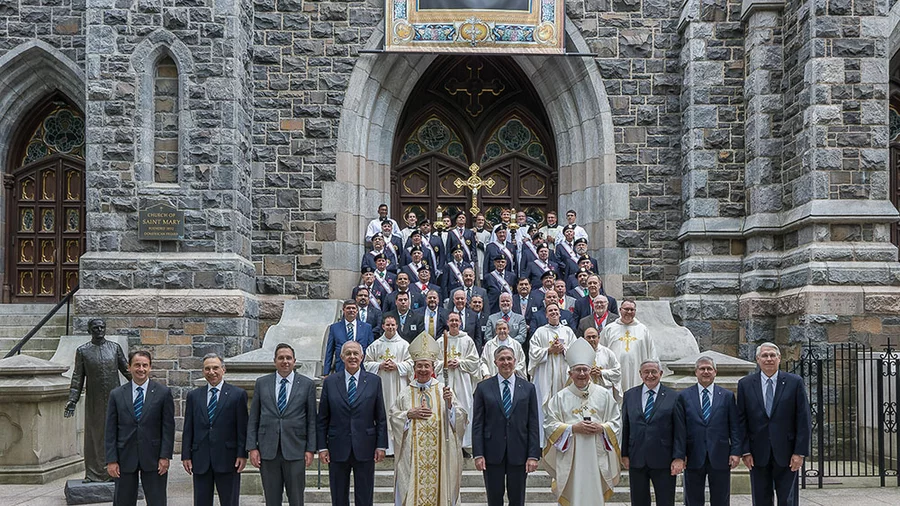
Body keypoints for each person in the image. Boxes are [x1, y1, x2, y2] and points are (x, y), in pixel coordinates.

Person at [390, 332, 467, 506]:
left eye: (426, 366)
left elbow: (461, 419)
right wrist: (408, 415)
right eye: (419, 366)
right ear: (414, 369)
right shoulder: (405, 392)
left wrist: (449, 406)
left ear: (433, 369)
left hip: (440, 455)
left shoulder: (443, 390)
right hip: (413, 459)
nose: (423, 370)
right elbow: (393, 416)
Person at [543, 338, 622, 506]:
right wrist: (572, 428)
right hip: (571, 454)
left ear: (590, 371)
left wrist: (602, 427)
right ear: (570, 374)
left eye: (585, 370)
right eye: (577, 370)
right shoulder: (560, 397)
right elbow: (550, 424)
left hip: (596, 452)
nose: (581, 374)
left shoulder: (603, 395)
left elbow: (616, 421)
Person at [737, 342, 811, 506]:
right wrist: (745, 451)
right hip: (757, 454)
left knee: (787, 500)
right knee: (761, 499)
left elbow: (803, 419)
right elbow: (741, 420)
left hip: (787, 453)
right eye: (764, 356)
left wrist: (800, 452)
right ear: (758, 359)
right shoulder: (745, 384)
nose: (768, 359)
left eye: (772, 355)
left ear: (779, 358)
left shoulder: (794, 382)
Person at [318, 341, 388, 506]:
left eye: (356, 353)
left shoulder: (374, 381)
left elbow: (381, 417)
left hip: (365, 446)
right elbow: (322, 419)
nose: (352, 357)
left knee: (364, 496)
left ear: (362, 357)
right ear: (341, 357)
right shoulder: (330, 382)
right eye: (348, 353)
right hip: (337, 447)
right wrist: (322, 447)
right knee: (338, 496)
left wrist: (381, 445)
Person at [247, 343, 317, 506]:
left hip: (295, 449)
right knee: (272, 499)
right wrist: (252, 447)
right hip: (268, 450)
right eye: (281, 358)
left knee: (296, 499)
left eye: (288, 358)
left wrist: (310, 449)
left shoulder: (307, 385)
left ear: (294, 361)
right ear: (275, 361)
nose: (285, 361)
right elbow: (254, 418)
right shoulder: (262, 383)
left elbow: (312, 420)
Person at [104, 350, 175, 506]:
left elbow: (168, 428)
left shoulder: (163, 393)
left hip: (154, 457)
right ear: (129, 367)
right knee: (123, 501)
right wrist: (111, 460)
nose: (141, 369)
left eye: (145, 365)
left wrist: (165, 456)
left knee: (157, 501)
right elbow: (110, 429)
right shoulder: (116, 394)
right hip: (124, 458)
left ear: (150, 368)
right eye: (137, 365)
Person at [472, 347, 541, 506]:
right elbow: (478, 424)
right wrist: (478, 454)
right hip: (491, 452)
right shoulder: (483, 388)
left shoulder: (528, 388)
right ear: (495, 362)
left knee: (517, 500)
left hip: (519, 451)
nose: (506, 362)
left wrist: (533, 455)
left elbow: (533, 423)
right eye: (502, 359)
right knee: (494, 499)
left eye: (509, 358)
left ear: (515, 361)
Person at [65, 318, 131, 483]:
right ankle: (93, 473)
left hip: (115, 399)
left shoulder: (114, 348)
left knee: (116, 433)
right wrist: (72, 400)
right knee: (94, 436)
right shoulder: (83, 351)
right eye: (95, 328)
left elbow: (127, 370)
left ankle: (115, 472)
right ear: (89, 330)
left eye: (102, 327)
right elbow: (77, 377)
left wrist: (145, 387)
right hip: (94, 401)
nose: (99, 330)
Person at [182, 353, 248, 506]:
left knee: (229, 501)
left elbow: (242, 428)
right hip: (201, 459)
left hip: (228, 458)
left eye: (215, 368)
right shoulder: (194, 396)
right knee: (201, 501)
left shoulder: (237, 395)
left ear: (223, 370)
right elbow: (188, 427)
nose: (211, 372)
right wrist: (186, 455)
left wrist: (242, 453)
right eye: (207, 369)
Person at [678, 356, 742, 506]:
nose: (706, 372)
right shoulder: (684, 396)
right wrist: (680, 455)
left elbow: (734, 426)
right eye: (702, 369)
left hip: (720, 455)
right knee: (693, 499)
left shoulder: (727, 396)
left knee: (721, 498)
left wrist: (735, 451)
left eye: (709, 369)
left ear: (715, 372)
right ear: (696, 372)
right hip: (693, 455)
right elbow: (680, 428)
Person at [621, 359, 686, 506]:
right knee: (638, 501)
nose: (650, 375)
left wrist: (678, 457)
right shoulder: (630, 395)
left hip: (664, 459)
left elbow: (680, 430)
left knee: (665, 501)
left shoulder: (673, 396)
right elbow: (626, 426)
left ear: (661, 373)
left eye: (654, 372)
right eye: (646, 372)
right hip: (637, 458)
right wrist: (624, 454)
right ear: (640, 374)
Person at [363, 316, 413, 455]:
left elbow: (411, 364)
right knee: (382, 412)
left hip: (398, 385)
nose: (390, 327)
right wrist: (380, 365)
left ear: (397, 326)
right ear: (383, 326)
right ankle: (382, 447)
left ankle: (397, 447)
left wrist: (397, 366)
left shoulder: (404, 345)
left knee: (397, 412)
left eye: (393, 325)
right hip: (381, 385)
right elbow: (366, 364)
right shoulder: (375, 345)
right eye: (388, 325)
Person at [528, 302, 575, 440]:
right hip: (545, 374)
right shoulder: (540, 332)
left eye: (556, 310)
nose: (554, 312)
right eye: (551, 311)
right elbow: (533, 352)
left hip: (563, 374)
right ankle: (543, 440)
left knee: (563, 404)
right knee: (544, 404)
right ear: (546, 314)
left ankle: (564, 437)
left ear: (560, 313)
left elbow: (575, 352)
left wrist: (563, 349)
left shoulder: (568, 331)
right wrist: (549, 350)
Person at [435, 312, 480, 451]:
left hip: (462, 381)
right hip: (445, 379)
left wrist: (459, 362)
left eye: (457, 320)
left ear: (460, 323)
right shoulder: (441, 341)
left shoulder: (467, 340)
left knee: (463, 407)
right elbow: (434, 362)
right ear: (447, 323)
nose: (454, 323)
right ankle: (445, 441)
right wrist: (445, 363)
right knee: (444, 408)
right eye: (452, 320)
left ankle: (464, 444)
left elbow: (474, 362)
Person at [599, 299, 658, 392]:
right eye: (626, 309)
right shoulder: (609, 329)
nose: (629, 312)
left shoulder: (642, 329)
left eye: (632, 310)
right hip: (615, 372)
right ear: (620, 310)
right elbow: (601, 351)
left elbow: (651, 352)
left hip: (637, 371)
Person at [324, 299, 375, 376]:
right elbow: (329, 351)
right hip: (341, 368)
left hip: (362, 368)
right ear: (343, 310)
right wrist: (326, 372)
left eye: (353, 308)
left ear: (357, 311)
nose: (351, 310)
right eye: (348, 308)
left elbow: (371, 350)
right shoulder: (334, 328)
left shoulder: (366, 328)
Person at [582, 327, 623, 402]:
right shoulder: (579, 354)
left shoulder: (608, 353)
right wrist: (586, 373)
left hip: (605, 391)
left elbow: (617, 373)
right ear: (584, 339)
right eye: (588, 337)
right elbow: (571, 373)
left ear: (599, 338)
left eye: (594, 337)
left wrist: (601, 373)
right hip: (586, 392)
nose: (591, 339)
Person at [447, 289, 484, 353]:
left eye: (462, 298)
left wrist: (477, 353)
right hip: (451, 350)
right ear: (453, 300)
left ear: (466, 300)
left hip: (469, 351)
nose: (460, 300)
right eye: (457, 298)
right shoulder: (446, 314)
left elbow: (478, 337)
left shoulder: (473, 315)